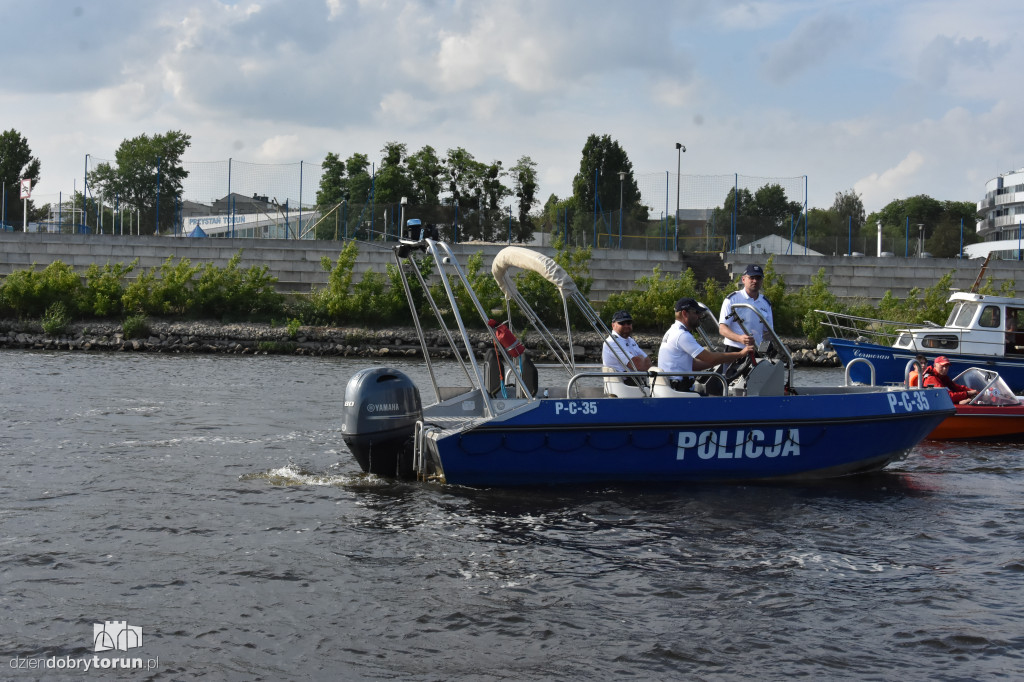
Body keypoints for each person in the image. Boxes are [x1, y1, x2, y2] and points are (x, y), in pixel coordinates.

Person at [658, 297, 753, 392]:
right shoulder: (682, 335)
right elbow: (710, 358)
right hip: (680, 391)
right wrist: (741, 354)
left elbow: (693, 365)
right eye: (696, 312)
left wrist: (721, 360)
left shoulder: (673, 331)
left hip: (673, 388)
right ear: (684, 313)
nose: (699, 316)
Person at [719, 264, 774, 351]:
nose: (755, 281)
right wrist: (739, 338)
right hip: (735, 349)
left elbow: (768, 332)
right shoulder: (732, 300)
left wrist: (765, 350)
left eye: (758, 278)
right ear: (743, 279)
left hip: (756, 350)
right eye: (751, 278)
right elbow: (722, 328)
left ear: (762, 281)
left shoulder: (765, 303)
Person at [602, 310, 651, 385]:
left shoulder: (630, 340)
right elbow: (637, 365)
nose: (626, 326)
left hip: (636, 383)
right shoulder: (611, 342)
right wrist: (640, 358)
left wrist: (639, 360)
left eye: (629, 323)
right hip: (625, 386)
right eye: (621, 323)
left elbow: (648, 362)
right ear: (613, 325)